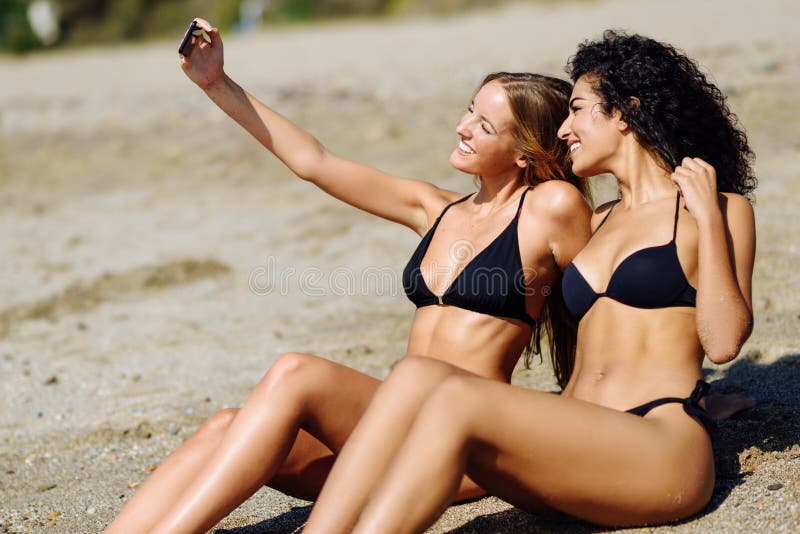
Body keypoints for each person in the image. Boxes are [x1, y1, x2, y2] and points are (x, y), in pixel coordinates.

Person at [104, 18, 593, 533]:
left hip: (461, 441)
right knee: (225, 425)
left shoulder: (551, 208)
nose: (462, 127)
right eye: (470, 110)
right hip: (390, 432)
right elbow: (314, 161)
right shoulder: (435, 208)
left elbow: (605, 292)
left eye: (484, 126)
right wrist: (216, 84)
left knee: (297, 372)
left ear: (525, 152)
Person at [304, 30, 757, 533]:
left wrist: (709, 220)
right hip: (575, 439)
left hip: (657, 447)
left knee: (457, 399)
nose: (564, 130)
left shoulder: (719, 209)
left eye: (578, 109)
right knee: (415, 374)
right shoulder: (596, 219)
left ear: (626, 112)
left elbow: (722, 342)